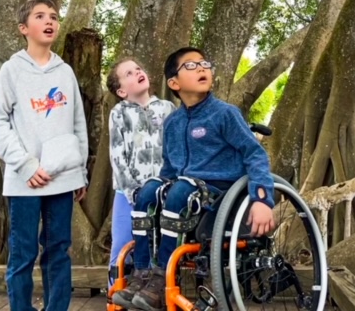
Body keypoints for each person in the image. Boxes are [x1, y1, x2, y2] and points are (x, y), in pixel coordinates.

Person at [112, 46, 275, 311]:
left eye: (204, 64)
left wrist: (262, 199)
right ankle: (143, 274)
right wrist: (153, 191)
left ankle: (163, 278)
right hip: (185, 195)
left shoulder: (225, 113)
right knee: (151, 187)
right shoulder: (174, 123)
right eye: (190, 66)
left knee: (180, 190)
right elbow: (168, 169)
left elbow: (254, 155)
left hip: (220, 196)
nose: (201, 68)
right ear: (174, 83)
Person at [0, 0, 88, 311]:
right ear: (23, 28)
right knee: (23, 252)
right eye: (40, 16)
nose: (50, 21)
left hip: (63, 179)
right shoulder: (12, 70)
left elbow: (77, 124)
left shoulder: (66, 71)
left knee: (59, 249)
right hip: (25, 181)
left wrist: (79, 171)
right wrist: (26, 165)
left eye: (54, 17)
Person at [107, 59, 175, 281]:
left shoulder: (167, 109)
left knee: (159, 249)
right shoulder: (119, 113)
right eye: (128, 73)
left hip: (163, 194)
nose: (137, 72)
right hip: (128, 195)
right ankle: (115, 298)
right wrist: (131, 192)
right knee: (123, 248)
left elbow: (175, 151)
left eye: (138, 68)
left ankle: (157, 297)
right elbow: (118, 156)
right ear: (121, 90)